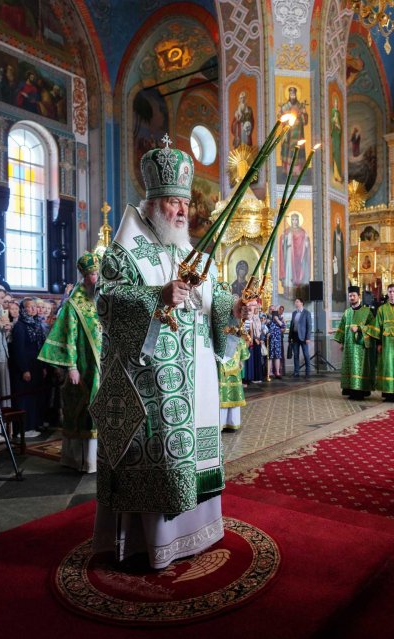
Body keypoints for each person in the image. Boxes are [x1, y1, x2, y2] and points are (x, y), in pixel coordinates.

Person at [89, 136, 247, 569]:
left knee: (194, 455)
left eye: (183, 202)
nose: (180, 210)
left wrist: (236, 308)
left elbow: (215, 315)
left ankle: (198, 533)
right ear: (153, 203)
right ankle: (152, 545)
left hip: (199, 382)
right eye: (171, 202)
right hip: (152, 381)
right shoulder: (127, 250)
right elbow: (105, 301)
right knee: (167, 461)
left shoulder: (196, 255)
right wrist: (156, 295)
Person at [38, 253, 103, 473]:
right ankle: (82, 460)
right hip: (83, 367)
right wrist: (72, 367)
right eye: (92, 274)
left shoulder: (101, 298)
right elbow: (68, 336)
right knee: (82, 411)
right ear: (85, 276)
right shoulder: (74, 304)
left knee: (101, 409)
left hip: (103, 366)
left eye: (98, 273)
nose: (96, 278)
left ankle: (99, 460)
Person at [10, 298, 46, 438]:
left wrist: (42, 366)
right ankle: (23, 429)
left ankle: (32, 424)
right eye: (29, 307)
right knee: (24, 398)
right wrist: (24, 369)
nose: (33, 309)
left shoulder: (37, 324)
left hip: (36, 365)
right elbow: (18, 350)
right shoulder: (20, 326)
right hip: (25, 366)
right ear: (23, 310)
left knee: (34, 397)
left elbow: (40, 346)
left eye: (34, 307)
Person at [334, 286, 375, 400]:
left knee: (359, 368)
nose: (352, 297)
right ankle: (351, 391)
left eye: (354, 295)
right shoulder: (347, 312)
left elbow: (373, 327)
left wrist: (360, 328)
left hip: (360, 346)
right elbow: (342, 328)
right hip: (348, 346)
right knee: (349, 368)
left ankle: (360, 392)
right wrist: (341, 342)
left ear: (359, 297)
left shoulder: (367, 312)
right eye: (350, 296)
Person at [219, 334, 250, 432]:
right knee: (234, 395)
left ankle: (221, 423)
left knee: (223, 396)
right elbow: (244, 356)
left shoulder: (217, 338)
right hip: (234, 373)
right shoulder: (239, 340)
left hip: (221, 373)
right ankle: (233, 423)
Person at [289, 297, 311, 377]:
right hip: (294, 336)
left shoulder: (306, 313)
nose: (296, 303)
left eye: (297, 302)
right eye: (295, 302)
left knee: (306, 354)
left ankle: (308, 371)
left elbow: (309, 326)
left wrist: (308, 338)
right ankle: (296, 372)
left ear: (301, 303)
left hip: (304, 337)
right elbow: (292, 325)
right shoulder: (294, 313)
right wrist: (289, 337)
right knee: (296, 355)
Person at [266, 308, 284, 378]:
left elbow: (283, 326)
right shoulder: (269, 321)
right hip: (270, 341)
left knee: (277, 357)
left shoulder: (280, 319)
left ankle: (277, 372)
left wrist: (277, 319)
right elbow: (264, 328)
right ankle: (269, 372)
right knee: (270, 357)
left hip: (277, 341)